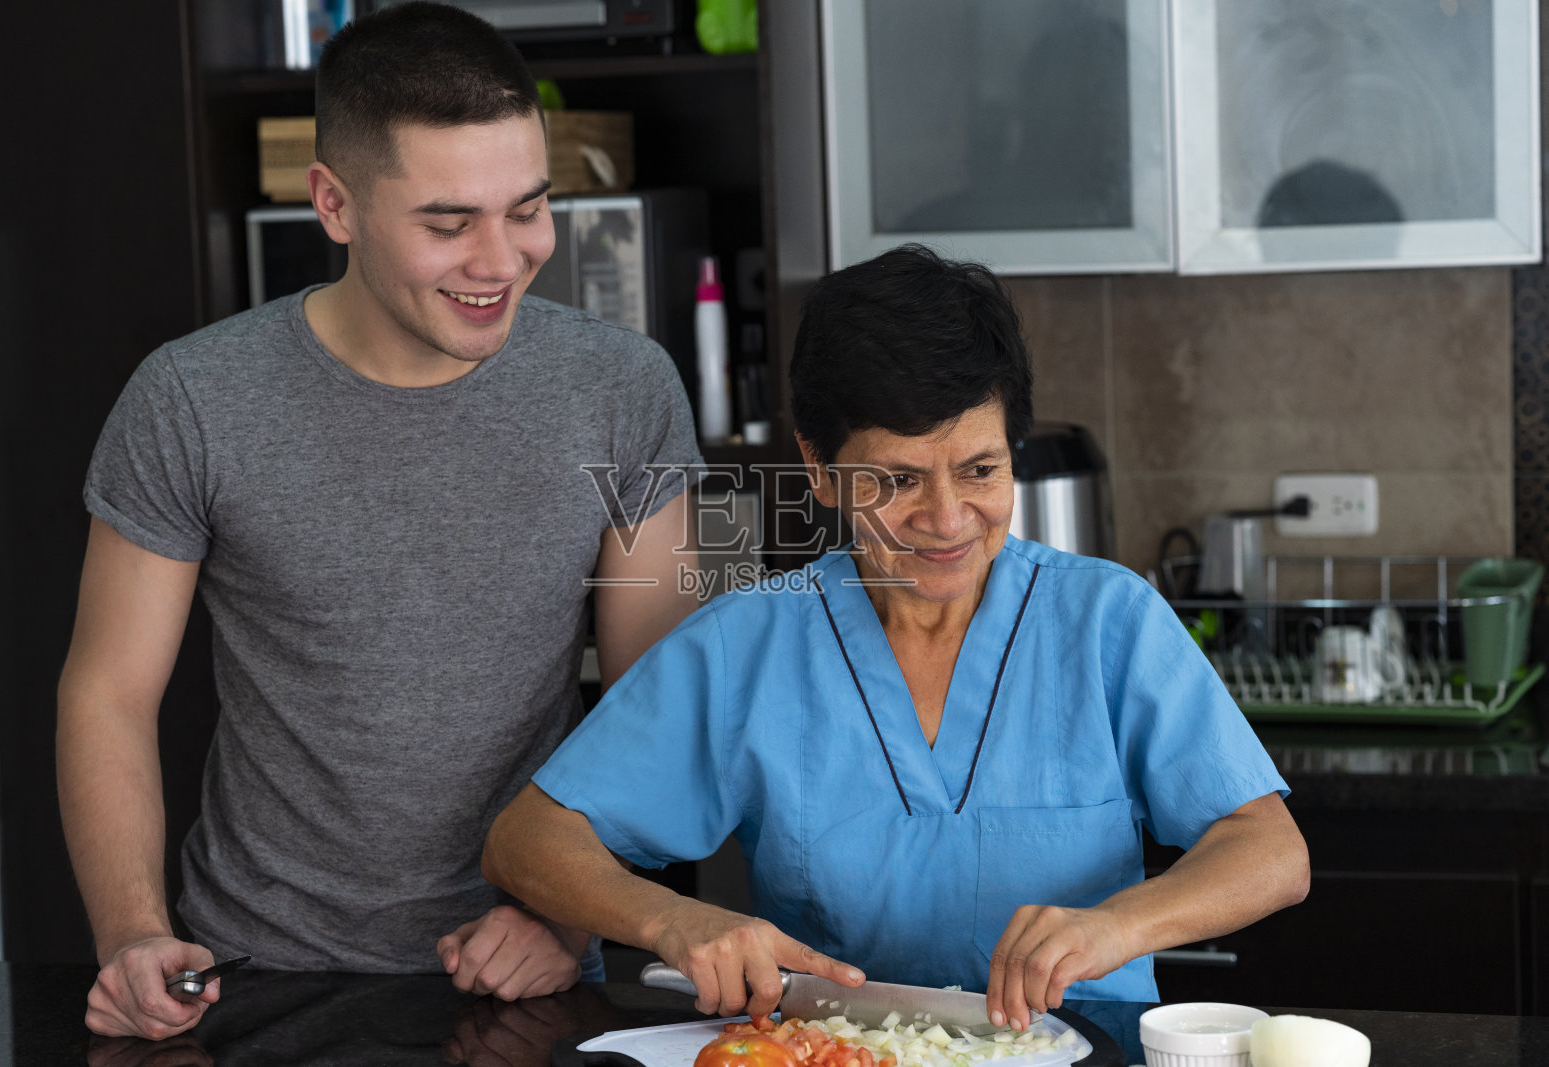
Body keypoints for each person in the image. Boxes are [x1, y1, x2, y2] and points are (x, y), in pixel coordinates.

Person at [57, 1, 702, 1042]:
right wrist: (132, 932)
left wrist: (570, 907)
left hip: (528, 972)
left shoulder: (624, 387)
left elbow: (662, 698)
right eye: (448, 224)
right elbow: (109, 694)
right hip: (257, 972)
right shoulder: (190, 399)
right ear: (335, 204)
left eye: (528, 208)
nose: (501, 259)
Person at [482, 244, 1310, 1031]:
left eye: (981, 470)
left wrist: (1119, 924)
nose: (947, 520)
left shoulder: (1108, 621)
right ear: (818, 467)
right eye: (897, 480)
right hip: (837, 1052)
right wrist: (673, 919)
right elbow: (527, 839)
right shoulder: (750, 645)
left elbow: (1271, 851)